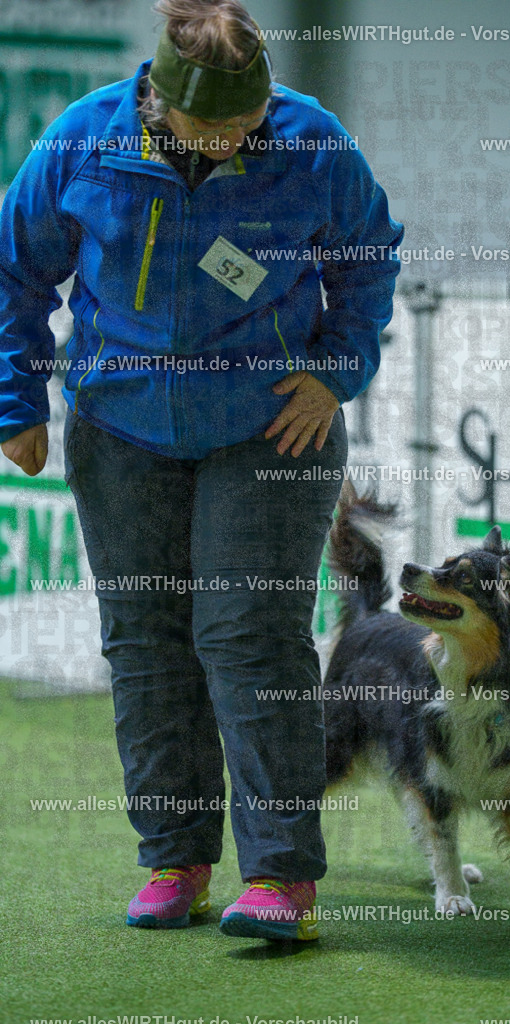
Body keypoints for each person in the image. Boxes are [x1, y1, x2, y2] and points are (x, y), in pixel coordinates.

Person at [0, 0, 403, 941]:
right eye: (213, 126)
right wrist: (15, 401)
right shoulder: (82, 141)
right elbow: (14, 272)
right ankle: (175, 859)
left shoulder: (311, 141)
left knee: (247, 637)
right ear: (159, 103)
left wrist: (336, 372)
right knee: (145, 640)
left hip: (267, 428)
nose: (235, 140)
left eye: (248, 120)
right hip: (122, 427)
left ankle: (279, 877)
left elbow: (368, 256)